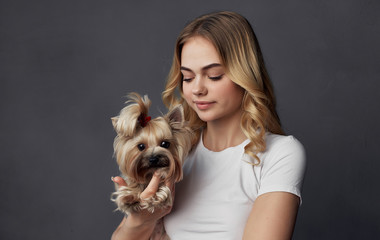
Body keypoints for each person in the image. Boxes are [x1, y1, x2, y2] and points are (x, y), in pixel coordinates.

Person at [111, 11, 306, 240]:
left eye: (213, 76)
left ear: (245, 76)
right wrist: (141, 218)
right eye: (187, 77)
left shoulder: (279, 153)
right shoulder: (177, 153)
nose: (197, 90)